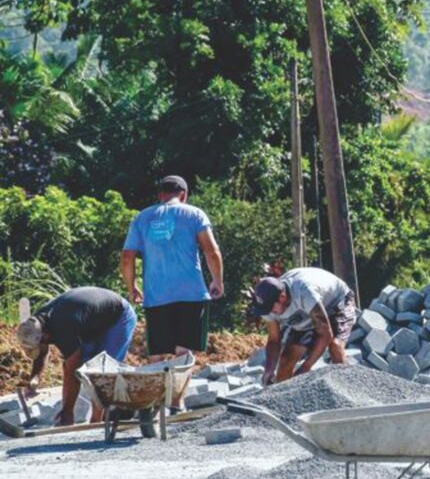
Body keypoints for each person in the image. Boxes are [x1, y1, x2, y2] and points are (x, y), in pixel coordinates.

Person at [121, 175, 224, 406]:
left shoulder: (142, 218)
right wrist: (217, 280)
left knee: (157, 352)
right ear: (184, 195)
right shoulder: (194, 214)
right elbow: (211, 251)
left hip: (156, 296)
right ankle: (177, 403)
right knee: (183, 351)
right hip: (192, 295)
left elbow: (127, 257)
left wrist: (132, 287)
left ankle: (155, 404)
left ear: (160, 195)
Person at [17, 287, 137, 426]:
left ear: (45, 336)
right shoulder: (35, 323)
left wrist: (67, 411)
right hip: (91, 319)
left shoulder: (63, 328)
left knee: (101, 370)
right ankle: (96, 416)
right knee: (85, 363)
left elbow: (73, 370)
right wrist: (34, 379)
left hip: (118, 316)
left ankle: (96, 421)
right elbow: (42, 352)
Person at [248, 267, 357, 385]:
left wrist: (306, 367)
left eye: (271, 308)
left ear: (282, 297)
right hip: (306, 311)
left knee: (335, 346)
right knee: (285, 361)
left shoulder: (304, 292)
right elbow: (274, 340)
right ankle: (284, 400)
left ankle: (348, 389)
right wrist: (269, 369)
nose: (270, 312)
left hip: (337, 302)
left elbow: (325, 334)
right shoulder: (267, 305)